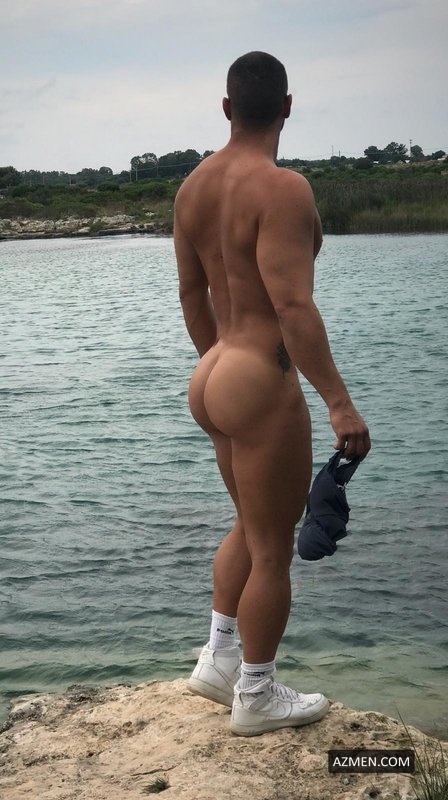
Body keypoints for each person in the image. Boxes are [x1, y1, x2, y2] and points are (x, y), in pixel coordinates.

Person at [174, 51, 371, 737]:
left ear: (227, 108)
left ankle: (219, 659)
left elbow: (191, 293)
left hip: (214, 371)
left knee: (250, 525)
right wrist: (338, 403)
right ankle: (256, 693)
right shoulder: (283, 188)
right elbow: (291, 305)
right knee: (273, 548)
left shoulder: (193, 187)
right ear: (287, 107)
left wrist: (221, 367)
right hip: (258, 375)